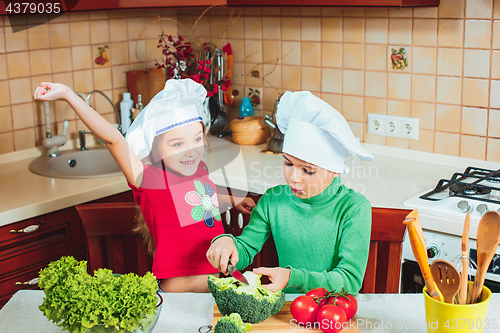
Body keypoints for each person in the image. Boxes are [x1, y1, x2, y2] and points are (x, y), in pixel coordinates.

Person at [34, 79, 255, 293]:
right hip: (179, 295)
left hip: (213, 289)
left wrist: (232, 200)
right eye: (177, 144)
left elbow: (199, 201)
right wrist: (68, 95)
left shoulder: (199, 170)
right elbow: (114, 140)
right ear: (156, 149)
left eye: (197, 140)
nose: (190, 151)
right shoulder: (149, 179)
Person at [206, 91, 374, 295]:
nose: (293, 177)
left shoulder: (354, 208)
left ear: (334, 170)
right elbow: (246, 248)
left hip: (332, 313)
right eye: (287, 163)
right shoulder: (273, 201)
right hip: (286, 312)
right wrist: (225, 243)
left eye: (307, 170)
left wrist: (292, 277)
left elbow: (349, 280)